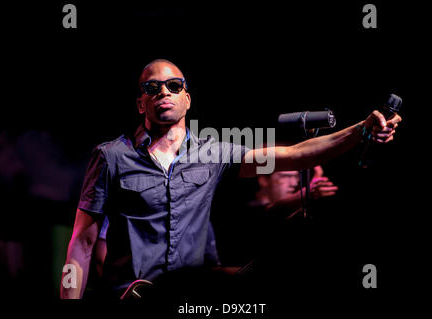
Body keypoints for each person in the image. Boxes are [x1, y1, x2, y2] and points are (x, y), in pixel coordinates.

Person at [60, 59, 401, 299]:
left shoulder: (213, 153)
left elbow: (295, 154)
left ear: (187, 99)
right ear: (140, 103)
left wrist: (360, 130)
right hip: (129, 296)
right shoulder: (110, 157)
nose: (164, 91)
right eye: (152, 87)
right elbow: (82, 244)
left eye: (174, 85)